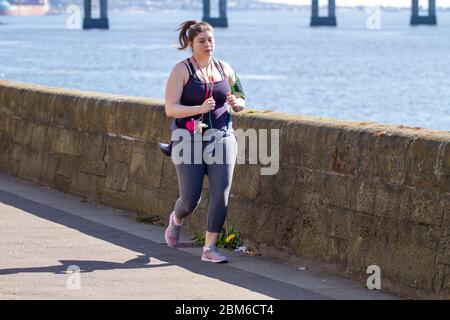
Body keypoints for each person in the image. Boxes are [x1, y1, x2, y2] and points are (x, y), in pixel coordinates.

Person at [163, 20, 246, 263]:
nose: (208, 44)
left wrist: (237, 104)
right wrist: (198, 108)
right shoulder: (181, 71)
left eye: (211, 40)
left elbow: (241, 96)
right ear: (191, 44)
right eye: (202, 41)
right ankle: (176, 219)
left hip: (222, 137)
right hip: (188, 140)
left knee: (221, 195)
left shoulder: (224, 68)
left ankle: (209, 248)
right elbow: (170, 108)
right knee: (190, 199)